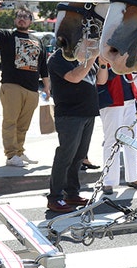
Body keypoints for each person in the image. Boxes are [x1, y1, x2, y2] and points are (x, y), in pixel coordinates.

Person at [0, 3, 50, 167]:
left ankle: (19, 152)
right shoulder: (7, 37)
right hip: (12, 86)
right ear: (15, 20)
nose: (22, 19)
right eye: (19, 16)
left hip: (33, 90)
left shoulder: (38, 41)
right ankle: (11, 155)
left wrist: (47, 87)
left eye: (25, 17)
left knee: (23, 125)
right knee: (10, 122)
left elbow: (43, 66)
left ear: (30, 21)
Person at [46, 46, 108, 212]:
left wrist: (102, 63)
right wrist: (92, 58)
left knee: (79, 157)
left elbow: (101, 80)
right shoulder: (59, 57)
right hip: (69, 114)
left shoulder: (86, 58)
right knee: (65, 155)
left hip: (87, 113)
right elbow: (74, 77)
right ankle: (55, 197)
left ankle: (71, 193)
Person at [98, 65, 137, 194]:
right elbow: (100, 77)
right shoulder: (102, 52)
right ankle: (108, 181)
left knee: (131, 139)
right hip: (111, 99)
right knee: (111, 140)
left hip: (128, 97)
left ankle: (133, 177)